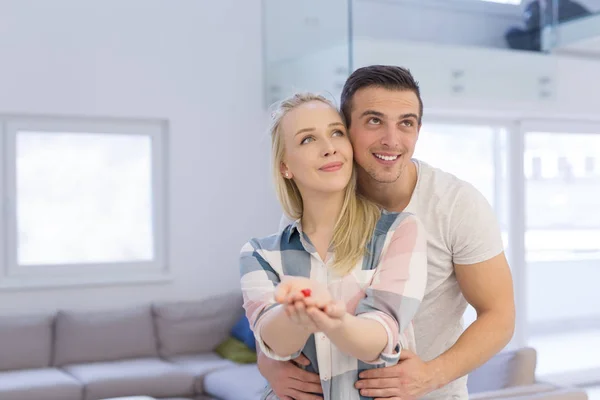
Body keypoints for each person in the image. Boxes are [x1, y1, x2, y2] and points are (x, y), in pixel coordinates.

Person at [259, 65, 516, 399]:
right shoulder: (314, 205)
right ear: (346, 129)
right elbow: (277, 305)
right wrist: (270, 364)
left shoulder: (456, 204)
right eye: (374, 121)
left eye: (406, 123)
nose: (392, 140)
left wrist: (429, 376)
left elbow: (499, 316)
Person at [239, 92, 428, 399]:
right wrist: (297, 312)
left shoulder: (399, 232)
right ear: (285, 166)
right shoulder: (259, 253)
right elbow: (274, 342)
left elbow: (379, 337)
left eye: (336, 133)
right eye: (307, 140)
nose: (329, 148)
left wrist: (330, 315)